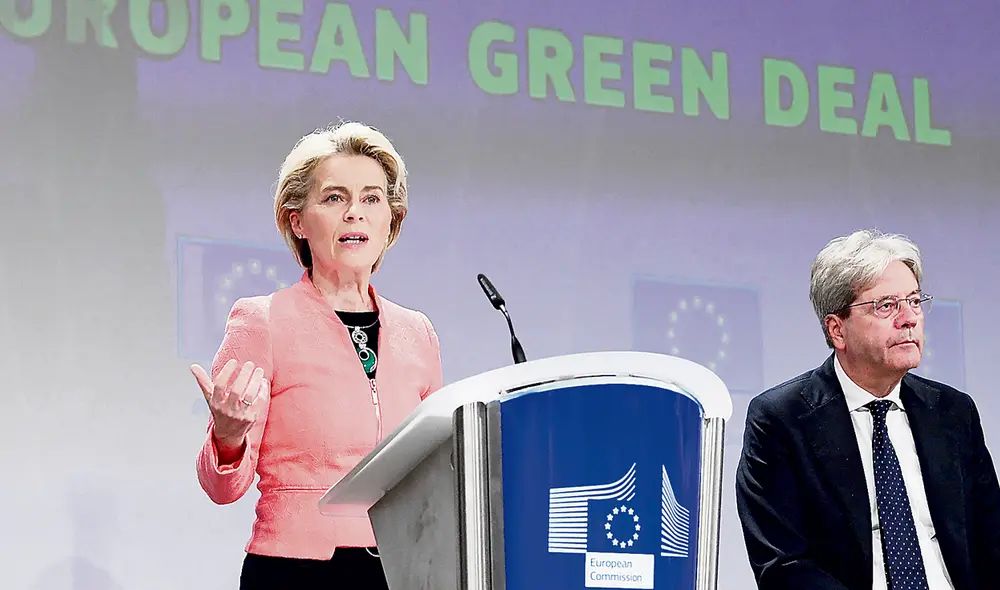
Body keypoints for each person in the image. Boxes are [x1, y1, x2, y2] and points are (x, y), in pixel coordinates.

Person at [190, 121, 443, 589]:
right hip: (298, 571)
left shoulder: (418, 333)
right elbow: (222, 488)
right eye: (334, 198)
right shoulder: (262, 321)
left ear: (392, 220)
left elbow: (435, 472)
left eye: (371, 199)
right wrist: (228, 439)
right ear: (297, 221)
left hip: (405, 568)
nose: (355, 214)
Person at [735, 229, 1000, 590]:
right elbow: (783, 566)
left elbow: (991, 543)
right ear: (837, 330)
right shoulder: (782, 420)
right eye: (887, 306)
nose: (909, 318)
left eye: (915, 301)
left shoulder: (954, 413)